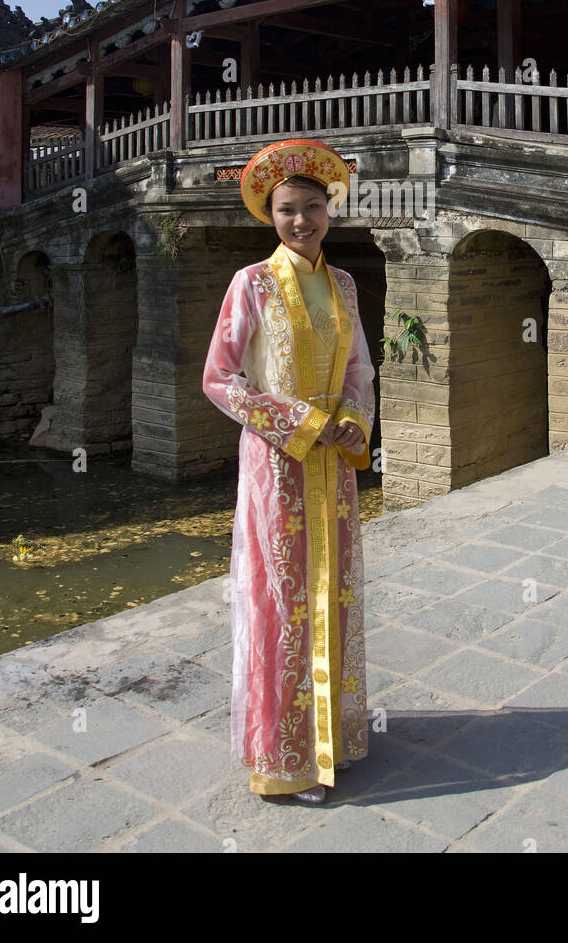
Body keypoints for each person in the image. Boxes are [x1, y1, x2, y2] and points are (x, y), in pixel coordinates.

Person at [202, 138, 376, 805]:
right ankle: (287, 756)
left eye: (311, 207)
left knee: (333, 593)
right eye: (286, 211)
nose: (300, 221)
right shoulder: (250, 284)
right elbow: (221, 379)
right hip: (278, 464)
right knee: (284, 601)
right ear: (268, 216)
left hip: (335, 463)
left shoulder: (344, 284)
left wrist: (353, 422)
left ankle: (334, 737)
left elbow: (360, 370)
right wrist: (298, 423)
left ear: (329, 208)